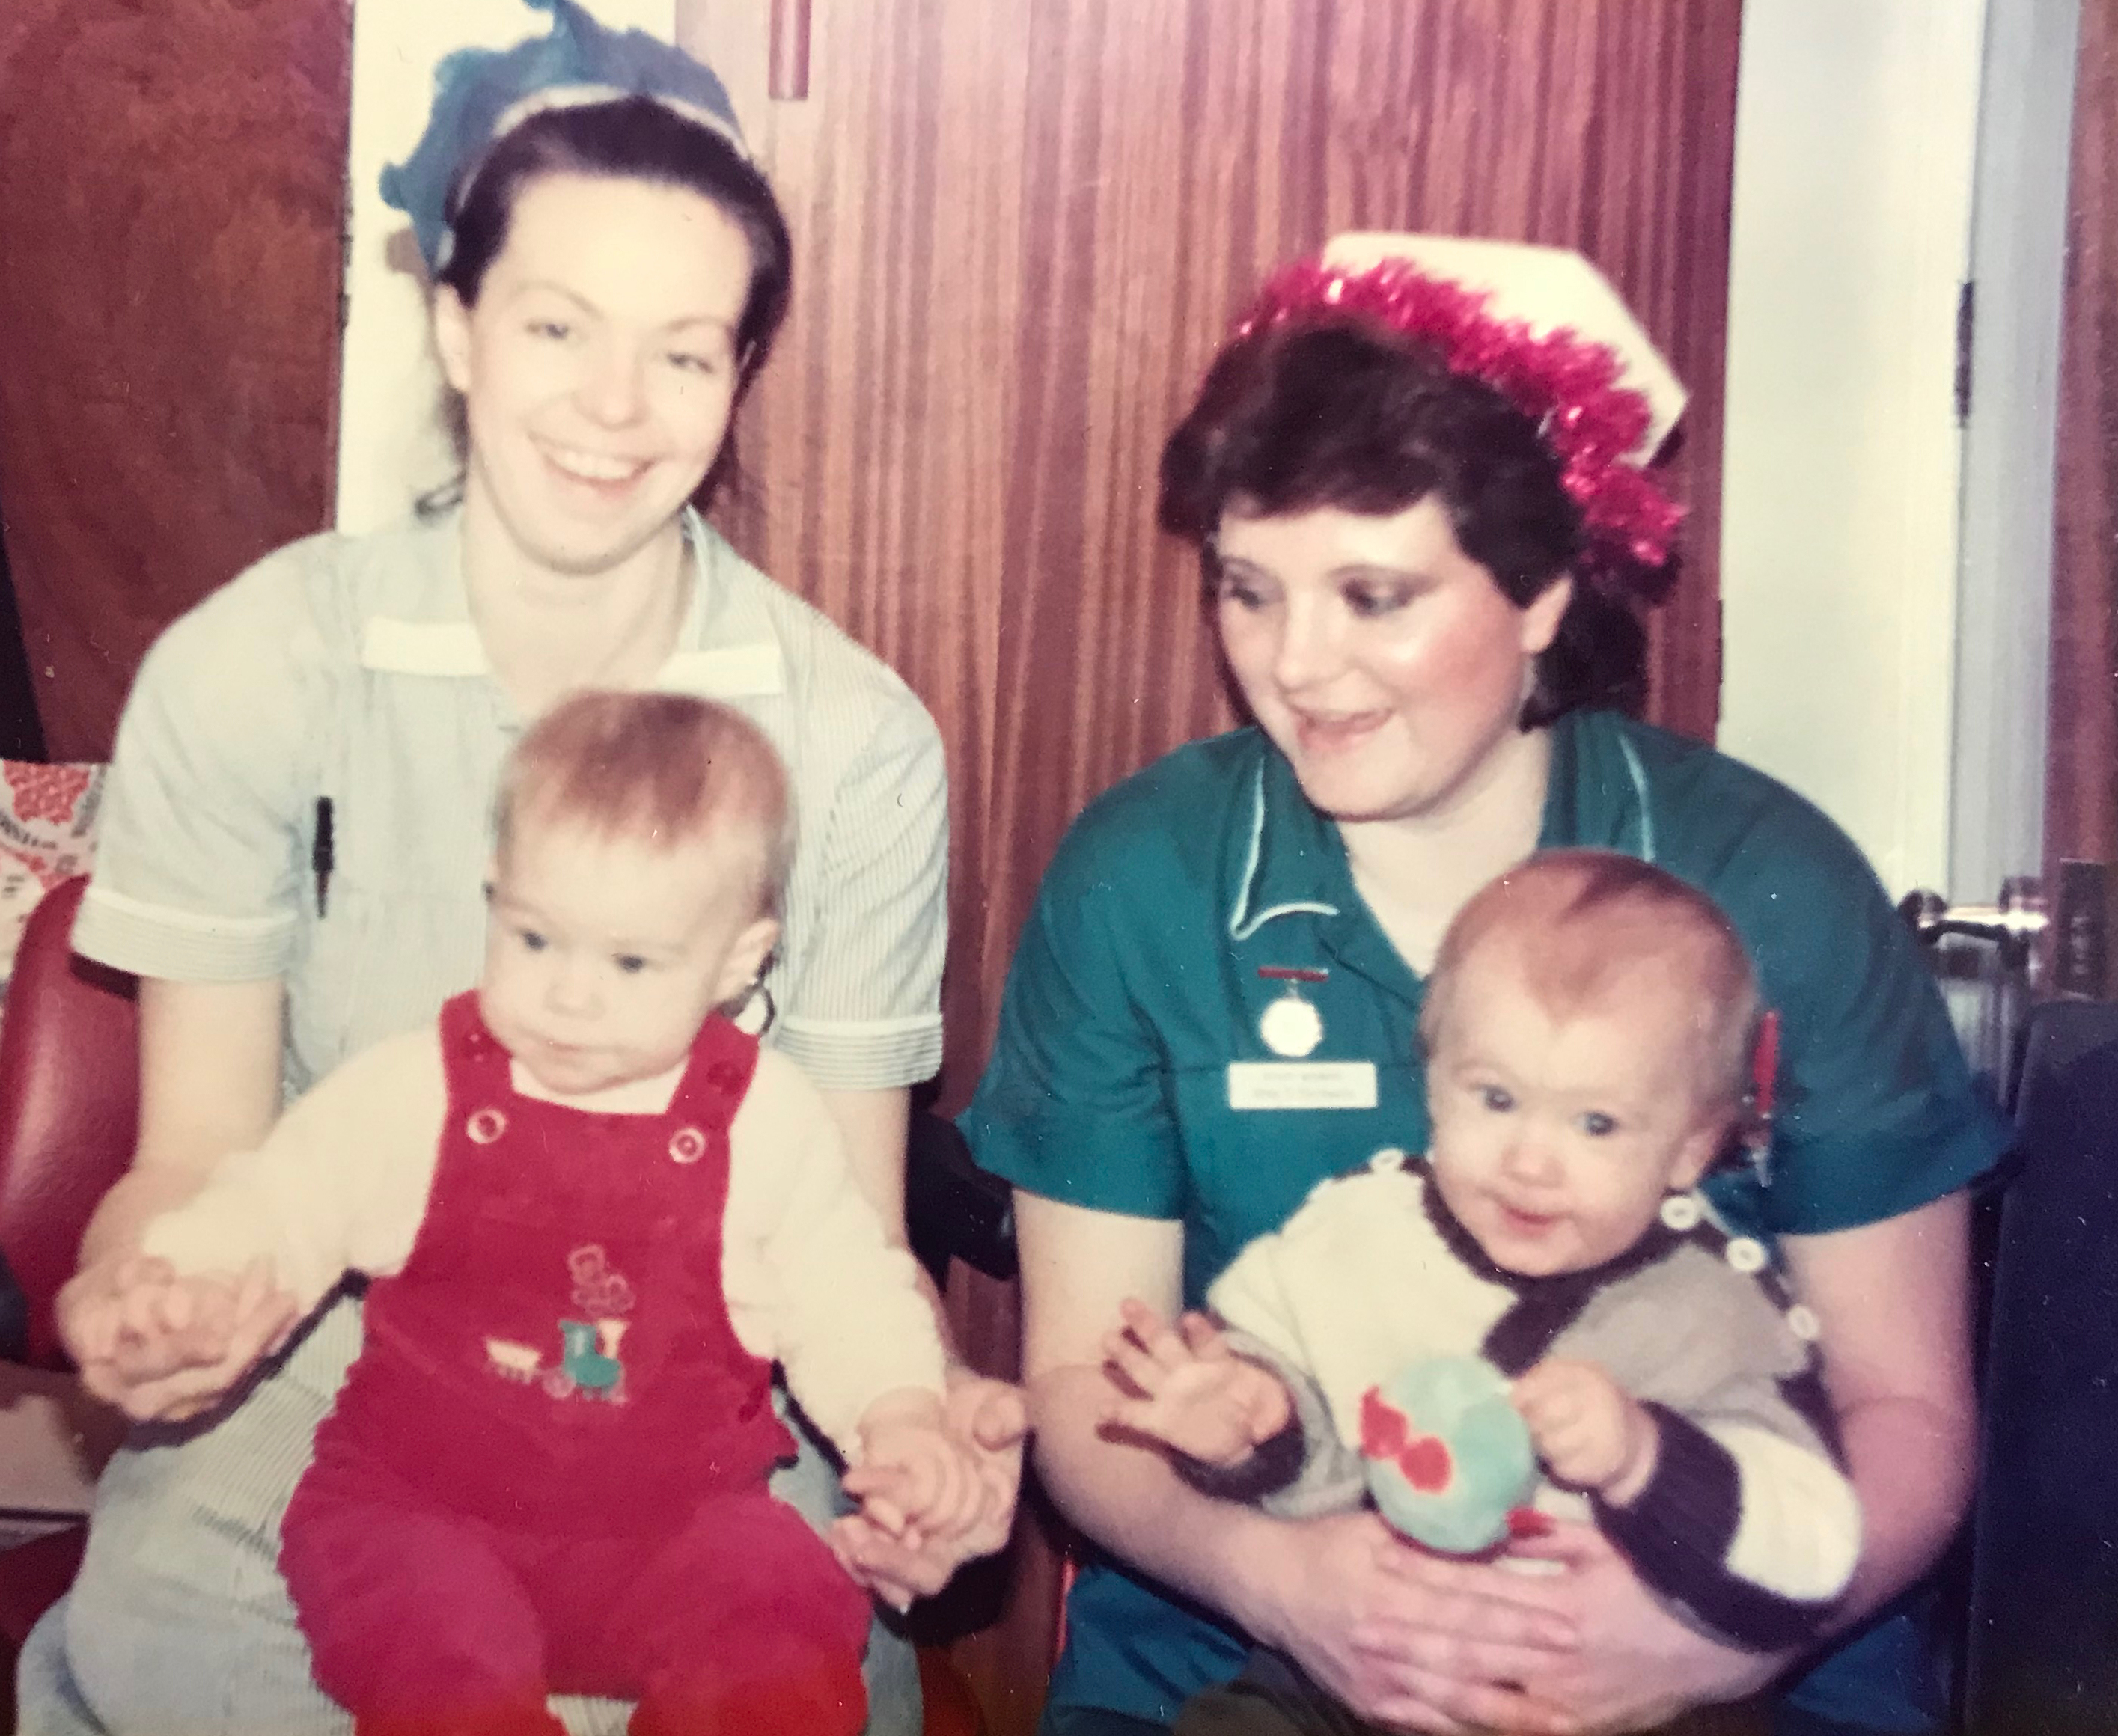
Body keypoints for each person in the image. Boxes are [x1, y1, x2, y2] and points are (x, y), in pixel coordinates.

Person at [23, 6, 1023, 1733]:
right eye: (559, 322)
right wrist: (155, 1292)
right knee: (199, 1662)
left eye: (687, 350)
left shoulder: (852, 740)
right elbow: (202, 1161)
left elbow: (844, 1233)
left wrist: (924, 1421)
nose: (616, 408)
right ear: (457, 323)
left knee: (769, 1666)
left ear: (739, 378)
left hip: (708, 1416)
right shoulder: (257, 666)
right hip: (338, 1382)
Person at [963, 232, 2008, 1736]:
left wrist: (1704, 1646)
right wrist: (1281, 1583)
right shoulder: (1142, 878)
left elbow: (1905, 1411)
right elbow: (1079, 1382)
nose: (1295, 667)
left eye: (1372, 596)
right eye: (1248, 589)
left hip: (1735, 1653)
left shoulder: (1768, 881)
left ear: (1536, 592)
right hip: (1248, 1646)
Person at [69, 691, 986, 1736]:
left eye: (630, 962)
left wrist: (902, 1413)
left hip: (678, 1530)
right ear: (494, 896)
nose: (567, 997)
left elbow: (843, 1293)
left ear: (739, 960)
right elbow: (282, 1200)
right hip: (422, 1512)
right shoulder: (419, 1087)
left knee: (782, 1612)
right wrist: (187, 1281)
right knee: (435, 1660)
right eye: (535, 939)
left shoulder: (765, 1119)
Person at [1100, 850, 1861, 1736]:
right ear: (1434, 1084)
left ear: (1691, 1148)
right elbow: (1307, 1452)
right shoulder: (1356, 1237)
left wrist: (1645, 1458)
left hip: (1615, 1695)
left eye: (1595, 1123)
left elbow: (1813, 1551)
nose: (1530, 1161)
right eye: (1496, 1098)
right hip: (1360, 1665)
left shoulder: (1716, 1314)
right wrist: (1249, 1420)